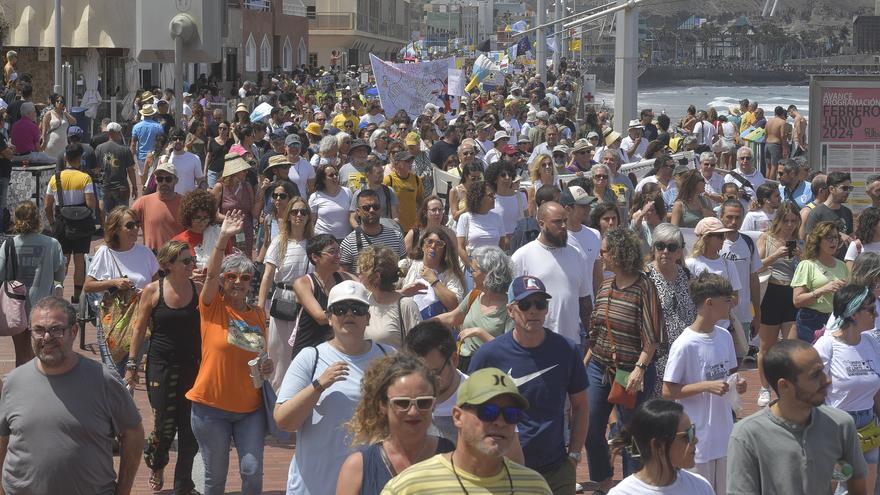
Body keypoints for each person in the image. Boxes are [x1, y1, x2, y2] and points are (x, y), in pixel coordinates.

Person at [0, 296, 144, 495]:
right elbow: (3, 438)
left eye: (56, 329)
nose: (47, 337)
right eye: (39, 330)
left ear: (74, 331)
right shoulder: (14, 382)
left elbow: (133, 433)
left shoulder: (103, 380)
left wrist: (124, 489)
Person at [468, 274, 587, 493]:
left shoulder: (566, 350)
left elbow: (580, 404)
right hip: (503, 469)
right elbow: (468, 411)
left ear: (546, 309)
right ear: (511, 310)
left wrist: (574, 454)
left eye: (540, 304)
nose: (533, 310)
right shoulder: (488, 356)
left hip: (556, 469)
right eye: (525, 304)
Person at [185, 210, 275, 494]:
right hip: (211, 409)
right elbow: (210, 274)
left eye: (245, 277)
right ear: (224, 280)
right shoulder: (213, 308)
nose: (239, 282)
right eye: (232, 276)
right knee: (215, 478)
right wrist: (223, 238)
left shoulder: (259, 315)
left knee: (252, 471)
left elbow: (261, 354)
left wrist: (267, 366)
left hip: (250, 409)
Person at [275, 279, 390, 495]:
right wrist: (318, 386)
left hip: (368, 484)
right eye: (340, 309)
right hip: (314, 485)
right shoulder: (311, 358)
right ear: (329, 318)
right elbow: (283, 421)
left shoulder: (388, 357)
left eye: (357, 309)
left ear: (368, 317)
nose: (349, 315)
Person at [727, 339, 868, 495]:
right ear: (785, 386)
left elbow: (858, 488)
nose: (827, 380)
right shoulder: (747, 436)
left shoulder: (840, 424)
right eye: (815, 375)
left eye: (823, 371)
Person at [380, 368, 551, 494]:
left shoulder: (535, 487)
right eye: (488, 412)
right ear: (457, 416)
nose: (500, 422)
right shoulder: (409, 487)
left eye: (511, 414)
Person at [586, 227, 663, 493]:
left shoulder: (645, 287)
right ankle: (603, 479)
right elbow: (595, 332)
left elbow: (652, 336)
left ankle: (633, 485)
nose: (601, 256)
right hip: (599, 365)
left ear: (619, 254)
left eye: (605, 251)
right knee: (590, 426)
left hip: (630, 370)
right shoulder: (606, 285)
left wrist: (640, 369)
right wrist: (583, 365)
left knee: (631, 433)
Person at [126, 240, 201, 494]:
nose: (192, 264)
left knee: (189, 428)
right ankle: (157, 463)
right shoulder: (152, 290)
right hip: (160, 365)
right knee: (164, 425)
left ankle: (183, 484)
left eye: (192, 260)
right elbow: (138, 328)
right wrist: (132, 364)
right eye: (186, 261)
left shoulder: (198, 289)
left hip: (192, 367)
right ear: (169, 264)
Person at [662, 272, 746, 495]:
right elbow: (668, 391)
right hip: (698, 439)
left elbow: (728, 376)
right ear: (709, 302)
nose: (732, 303)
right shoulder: (685, 344)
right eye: (727, 300)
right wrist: (707, 386)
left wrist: (738, 384)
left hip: (724, 433)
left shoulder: (724, 336)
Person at [337, 354, 455, 495]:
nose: (413, 412)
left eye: (423, 402)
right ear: (383, 405)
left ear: (434, 404)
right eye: (402, 403)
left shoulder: (452, 456)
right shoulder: (358, 468)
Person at [815, 283, 880, 493]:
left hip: (869, 427)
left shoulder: (871, 342)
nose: (876, 314)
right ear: (853, 312)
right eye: (870, 309)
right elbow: (809, 389)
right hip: (838, 428)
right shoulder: (827, 346)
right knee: (832, 489)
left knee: (865, 492)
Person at [512, 201, 592, 348]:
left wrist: (591, 337)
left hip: (572, 343)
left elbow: (584, 301)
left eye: (565, 221)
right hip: (535, 344)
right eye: (557, 222)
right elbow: (513, 306)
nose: (563, 226)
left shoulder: (576, 254)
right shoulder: (522, 257)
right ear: (541, 224)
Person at [257, 196, 314, 390]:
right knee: (278, 354)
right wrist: (260, 306)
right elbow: (267, 276)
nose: (299, 215)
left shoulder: (314, 243)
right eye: (295, 211)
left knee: (302, 352)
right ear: (288, 215)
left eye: (303, 212)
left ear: (308, 217)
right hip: (283, 300)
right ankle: (275, 400)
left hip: (308, 303)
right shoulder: (279, 242)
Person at [0, 202, 64, 366]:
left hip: (17, 307)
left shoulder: (9, 244)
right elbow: (59, 274)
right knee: (44, 352)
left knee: (21, 356)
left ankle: (23, 387)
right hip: (44, 307)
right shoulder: (52, 244)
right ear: (38, 219)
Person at [606, 399, 714, 494]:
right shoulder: (622, 493)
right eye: (687, 436)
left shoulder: (701, 487)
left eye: (693, 431)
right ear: (657, 445)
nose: (695, 440)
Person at [755, 201, 803, 407]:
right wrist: (775, 255)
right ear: (779, 220)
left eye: (794, 221)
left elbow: (808, 269)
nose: (790, 225)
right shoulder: (767, 237)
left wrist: (802, 258)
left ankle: (787, 387)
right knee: (766, 346)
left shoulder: (800, 241)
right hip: (772, 291)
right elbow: (755, 266)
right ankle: (764, 387)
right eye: (786, 220)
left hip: (792, 292)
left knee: (791, 346)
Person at [646, 223, 697, 397]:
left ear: (679, 251)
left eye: (671, 247)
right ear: (653, 248)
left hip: (685, 356)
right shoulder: (644, 277)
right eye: (660, 246)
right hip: (657, 359)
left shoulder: (686, 275)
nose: (665, 251)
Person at [44, 143, 97, 304]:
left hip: (62, 222)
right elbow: (90, 203)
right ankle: (76, 297)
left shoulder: (55, 178)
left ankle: (58, 289)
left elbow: (47, 206)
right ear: (80, 159)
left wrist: (53, 223)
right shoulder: (85, 178)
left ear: (65, 158)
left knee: (63, 260)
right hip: (81, 224)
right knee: (79, 261)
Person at [291, 234, 356, 359]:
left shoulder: (344, 278)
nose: (338, 256)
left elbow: (368, 290)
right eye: (332, 252)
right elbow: (320, 317)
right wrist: (353, 314)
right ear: (315, 257)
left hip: (334, 351)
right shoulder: (303, 283)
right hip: (307, 350)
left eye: (338, 250)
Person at [405, 320, 467, 442]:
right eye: (416, 372)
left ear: (454, 360)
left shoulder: (479, 403)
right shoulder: (402, 403)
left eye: (433, 373)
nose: (424, 381)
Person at [719, 200, 763, 358]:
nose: (733, 222)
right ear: (721, 216)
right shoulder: (713, 241)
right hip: (718, 314)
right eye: (729, 217)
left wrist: (757, 315)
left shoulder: (748, 243)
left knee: (739, 358)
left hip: (743, 313)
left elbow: (754, 280)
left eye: (737, 218)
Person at [791, 221, 848, 343]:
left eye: (836, 237)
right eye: (829, 238)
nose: (834, 241)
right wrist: (823, 289)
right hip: (812, 319)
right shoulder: (807, 265)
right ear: (818, 241)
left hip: (836, 319)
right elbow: (797, 301)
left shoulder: (842, 265)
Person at [358, 245, 422, 348]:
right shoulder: (364, 302)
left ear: (377, 277)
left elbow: (420, 348)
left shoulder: (406, 306)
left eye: (362, 272)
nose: (358, 275)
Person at [401, 226, 465, 319]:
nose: (433, 246)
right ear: (423, 246)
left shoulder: (449, 274)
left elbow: (454, 304)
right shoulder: (409, 265)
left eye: (439, 244)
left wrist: (434, 281)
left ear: (444, 250)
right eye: (429, 242)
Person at [340, 189, 406, 273]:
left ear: (380, 209)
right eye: (366, 208)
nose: (372, 210)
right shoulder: (349, 243)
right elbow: (344, 275)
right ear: (358, 212)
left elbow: (403, 267)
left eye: (376, 207)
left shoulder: (397, 237)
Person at [213, 152, 257, 256]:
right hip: (227, 232)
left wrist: (262, 192)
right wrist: (229, 219)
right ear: (234, 172)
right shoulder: (220, 187)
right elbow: (212, 214)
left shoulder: (247, 186)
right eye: (243, 170)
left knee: (246, 262)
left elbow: (253, 211)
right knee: (228, 262)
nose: (246, 173)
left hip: (246, 231)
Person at [456, 180, 507, 268]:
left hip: (494, 267)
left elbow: (502, 243)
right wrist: (472, 266)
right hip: (473, 267)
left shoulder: (497, 217)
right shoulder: (465, 218)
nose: (494, 198)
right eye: (490, 195)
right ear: (479, 198)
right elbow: (460, 247)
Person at [805, 171, 854, 259]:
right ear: (831, 189)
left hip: (843, 265)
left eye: (850, 188)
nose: (848, 192)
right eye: (844, 188)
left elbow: (850, 237)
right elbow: (809, 241)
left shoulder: (847, 212)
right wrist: (837, 235)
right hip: (823, 264)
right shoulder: (817, 213)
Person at [310, 162, 353, 242]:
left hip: (346, 238)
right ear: (323, 179)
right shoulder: (315, 197)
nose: (335, 177)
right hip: (323, 239)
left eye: (336, 174)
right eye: (331, 175)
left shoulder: (347, 192)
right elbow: (311, 221)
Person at [350, 160, 400, 228]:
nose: (382, 175)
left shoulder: (389, 191)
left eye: (382, 172)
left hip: (386, 232)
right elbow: (352, 218)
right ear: (368, 174)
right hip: (366, 232)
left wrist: (395, 228)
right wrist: (359, 231)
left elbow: (395, 216)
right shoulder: (359, 193)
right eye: (378, 173)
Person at [384, 151, 424, 233]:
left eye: (411, 161)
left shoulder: (416, 180)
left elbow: (420, 200)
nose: (410, 163)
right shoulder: (388, 180)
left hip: (413, 227)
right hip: (393, 227)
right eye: (407, 161)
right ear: (397, 164)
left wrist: (420, 219)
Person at [487, 161, 527, 239]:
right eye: (503, 175)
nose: (507, 178)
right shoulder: (488, 198)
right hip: (496, 242)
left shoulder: (521, 196)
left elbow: (526, 218)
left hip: (518, 242)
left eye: (509, 175)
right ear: (495, 179)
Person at [131, 103, 165, 178]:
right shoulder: (158, 126)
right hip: (154, 155)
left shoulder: (136, 127)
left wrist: (131, 158)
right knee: (154, 178)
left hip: (141, 156)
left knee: (143, 176)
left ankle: (143, 189)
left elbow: (133, 144)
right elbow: (161, 142)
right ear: (152, 114)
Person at [168, 127, 205, 194]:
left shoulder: (194, 158)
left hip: (188, 201)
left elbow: (200, 180)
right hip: (169, 200)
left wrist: (205, 191)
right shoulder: (165, 159)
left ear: (184, 140)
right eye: (175, 139)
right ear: (171, 141)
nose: (178, 141)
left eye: (181, 138)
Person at [41, 94, 75, 160]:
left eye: (61, 101)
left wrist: (66, 113)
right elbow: (44, 130)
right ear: (54, 102)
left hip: (63, 144)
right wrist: (43, 142)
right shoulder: (49, 114)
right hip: (51, 144)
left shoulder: (65, 114)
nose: (59, 103)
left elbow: (74, 122)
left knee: (62, 165)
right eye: (57, 101)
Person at [204, 120, 232, 188]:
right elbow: (208, 156)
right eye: (220, 128)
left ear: (228, 130)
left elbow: (238, 144)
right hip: (213, 171)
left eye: (224, 129)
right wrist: (205, 170)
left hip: (226, 172)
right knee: (212, 192)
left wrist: (233, 132)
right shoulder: (212, 141)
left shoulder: (230, 142)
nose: (222, 130)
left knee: (224, 193)